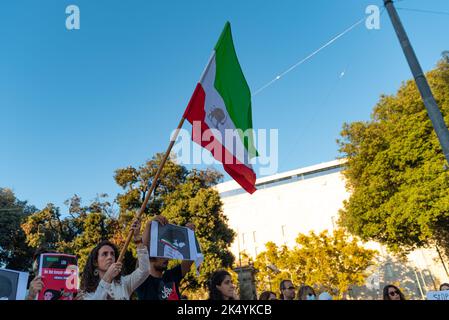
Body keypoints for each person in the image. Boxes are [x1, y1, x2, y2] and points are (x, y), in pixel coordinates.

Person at [80, 219, 150, 300]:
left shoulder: (124, 283)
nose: (110, 257)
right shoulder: (86, 293)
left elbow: (144, 270)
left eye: (112, 254)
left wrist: (137, 239)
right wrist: (107, 277)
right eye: (104, 254)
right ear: (95, 262)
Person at [136, 215, 196, 300]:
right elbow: (142, 252)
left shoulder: (170, 276)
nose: (167, 258)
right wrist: (149, 225)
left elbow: (190, 259)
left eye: (167, 255)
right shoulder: (143, 280)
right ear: (151, 255)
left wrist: (189, 235)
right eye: (162, 254)